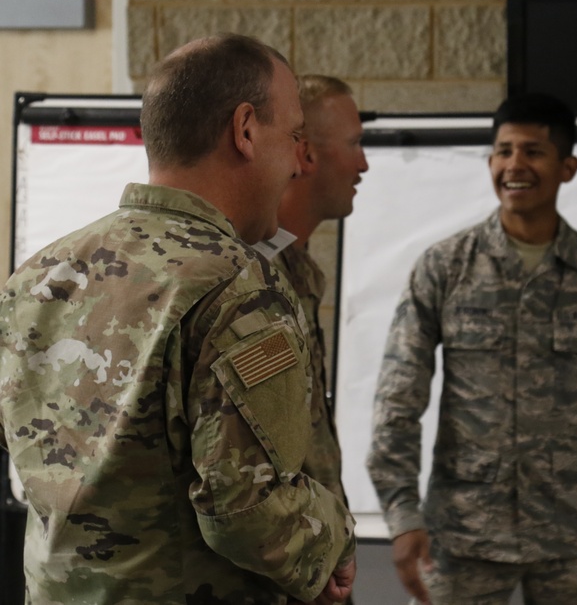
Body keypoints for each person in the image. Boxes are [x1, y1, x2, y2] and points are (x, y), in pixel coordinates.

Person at [0, 34, 356, 604]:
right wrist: (333, 539)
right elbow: (245, 509)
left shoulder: (37, 277)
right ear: (244, 130)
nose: (297, 160)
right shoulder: (235, 284)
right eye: (292, 136)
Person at [367, 92, 577, 605]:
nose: (514, 165)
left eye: (533, 151)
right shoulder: (445, 267)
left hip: (573, 539)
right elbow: (398, 400)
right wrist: (401, 514)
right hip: (462, 538)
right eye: (503, 151)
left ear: (568, 167)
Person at [273, 74, 369, 504]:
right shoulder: (254, 277)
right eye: (354, 144)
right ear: (306, 154)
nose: (363, 164)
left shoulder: (294, 266)